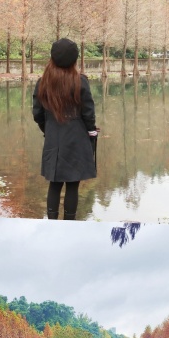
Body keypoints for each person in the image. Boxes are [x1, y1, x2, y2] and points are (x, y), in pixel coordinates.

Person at [32, 38, 99, 220]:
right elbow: (88, 114)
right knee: (72, 185)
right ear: (74, 59)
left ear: (52, 57)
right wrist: (92, 131)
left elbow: (37, 114)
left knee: (54, 183)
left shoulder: (42, 83)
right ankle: (70, 222)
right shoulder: (80, 82)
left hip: (53, 139)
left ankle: (51, 222)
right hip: (76, 139)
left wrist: (49, 130)